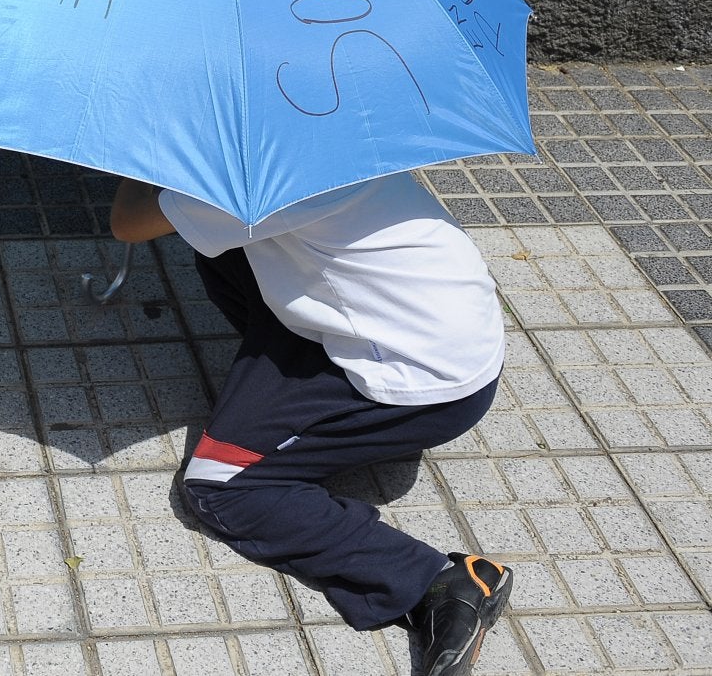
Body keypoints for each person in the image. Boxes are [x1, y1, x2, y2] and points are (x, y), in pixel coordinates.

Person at [110, 172, 514, 676]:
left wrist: (141, 161)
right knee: (213, 245)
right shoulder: (326, 137)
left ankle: (438, 581)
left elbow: (128, 223)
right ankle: (311, 421)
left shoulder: (258, 179)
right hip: (443, 340)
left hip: (417, 384)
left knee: (222, 485)